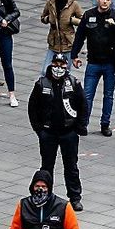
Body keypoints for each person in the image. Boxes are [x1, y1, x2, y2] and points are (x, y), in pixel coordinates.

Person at [28, 54, 86, 209]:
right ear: (51, 64)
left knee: (71, 166)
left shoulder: (73, 83)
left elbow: (82, 105)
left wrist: (79, 127)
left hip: (68, 132)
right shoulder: (41, 84)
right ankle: (45, 197)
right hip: (48, 133)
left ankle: (74, 197)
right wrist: (39, 129)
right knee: (47, 166)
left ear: (66, 66)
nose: (58, 68)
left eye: (62, 65)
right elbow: (32, 107)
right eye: (56, 64)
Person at [71, 0, 115, 136]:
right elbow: (79, 36)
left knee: (108, 95)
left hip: (110, 64)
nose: (104, 2)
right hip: (93, 63)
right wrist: (74, 55)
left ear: (111, 1)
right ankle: (83, 124)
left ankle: (105, 124)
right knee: (87, 95)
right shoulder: (89, 15)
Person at [40, 0, 83, 77]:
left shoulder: (73, 4)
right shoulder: (51, 3)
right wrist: (48, 19)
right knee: (45, 71)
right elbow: (43, 18)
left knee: (65, 72)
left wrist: (72, 20)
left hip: (68, 43)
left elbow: (82, 20)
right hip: (54, 42)